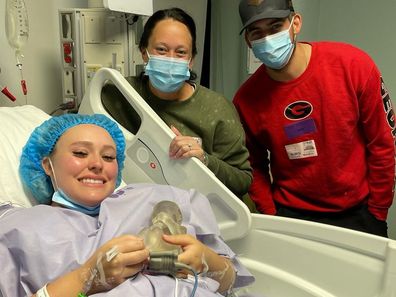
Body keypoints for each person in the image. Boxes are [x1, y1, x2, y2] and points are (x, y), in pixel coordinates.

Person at [0, 114, 254, 296]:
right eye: (80, 153)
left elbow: (231, 283)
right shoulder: (17, 228)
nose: (97, 164)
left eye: (108, 156)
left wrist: (209, 262)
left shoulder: (163, 197)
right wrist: (86, 278)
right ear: (46, 165)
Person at [233, 0, 395, 237]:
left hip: (358, 213)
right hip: (291, 215)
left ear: (295, 23)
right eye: (257, 32)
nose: (267, 39)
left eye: (276, 27)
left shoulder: (353, 66)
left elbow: (383, 143)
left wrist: (378, 210)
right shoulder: (247, 99)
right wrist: (271, 214)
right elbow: (253, 165)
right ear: (248, 40)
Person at [101, 8, 253, 206]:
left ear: (191, 61)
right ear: (144, 53)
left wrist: (204, 159)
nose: (170, 59)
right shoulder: (118, 94)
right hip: (144, 204)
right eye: (161, 50)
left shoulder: (217, 108)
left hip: (206, 211)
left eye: (181, 53)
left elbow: (243, 180)